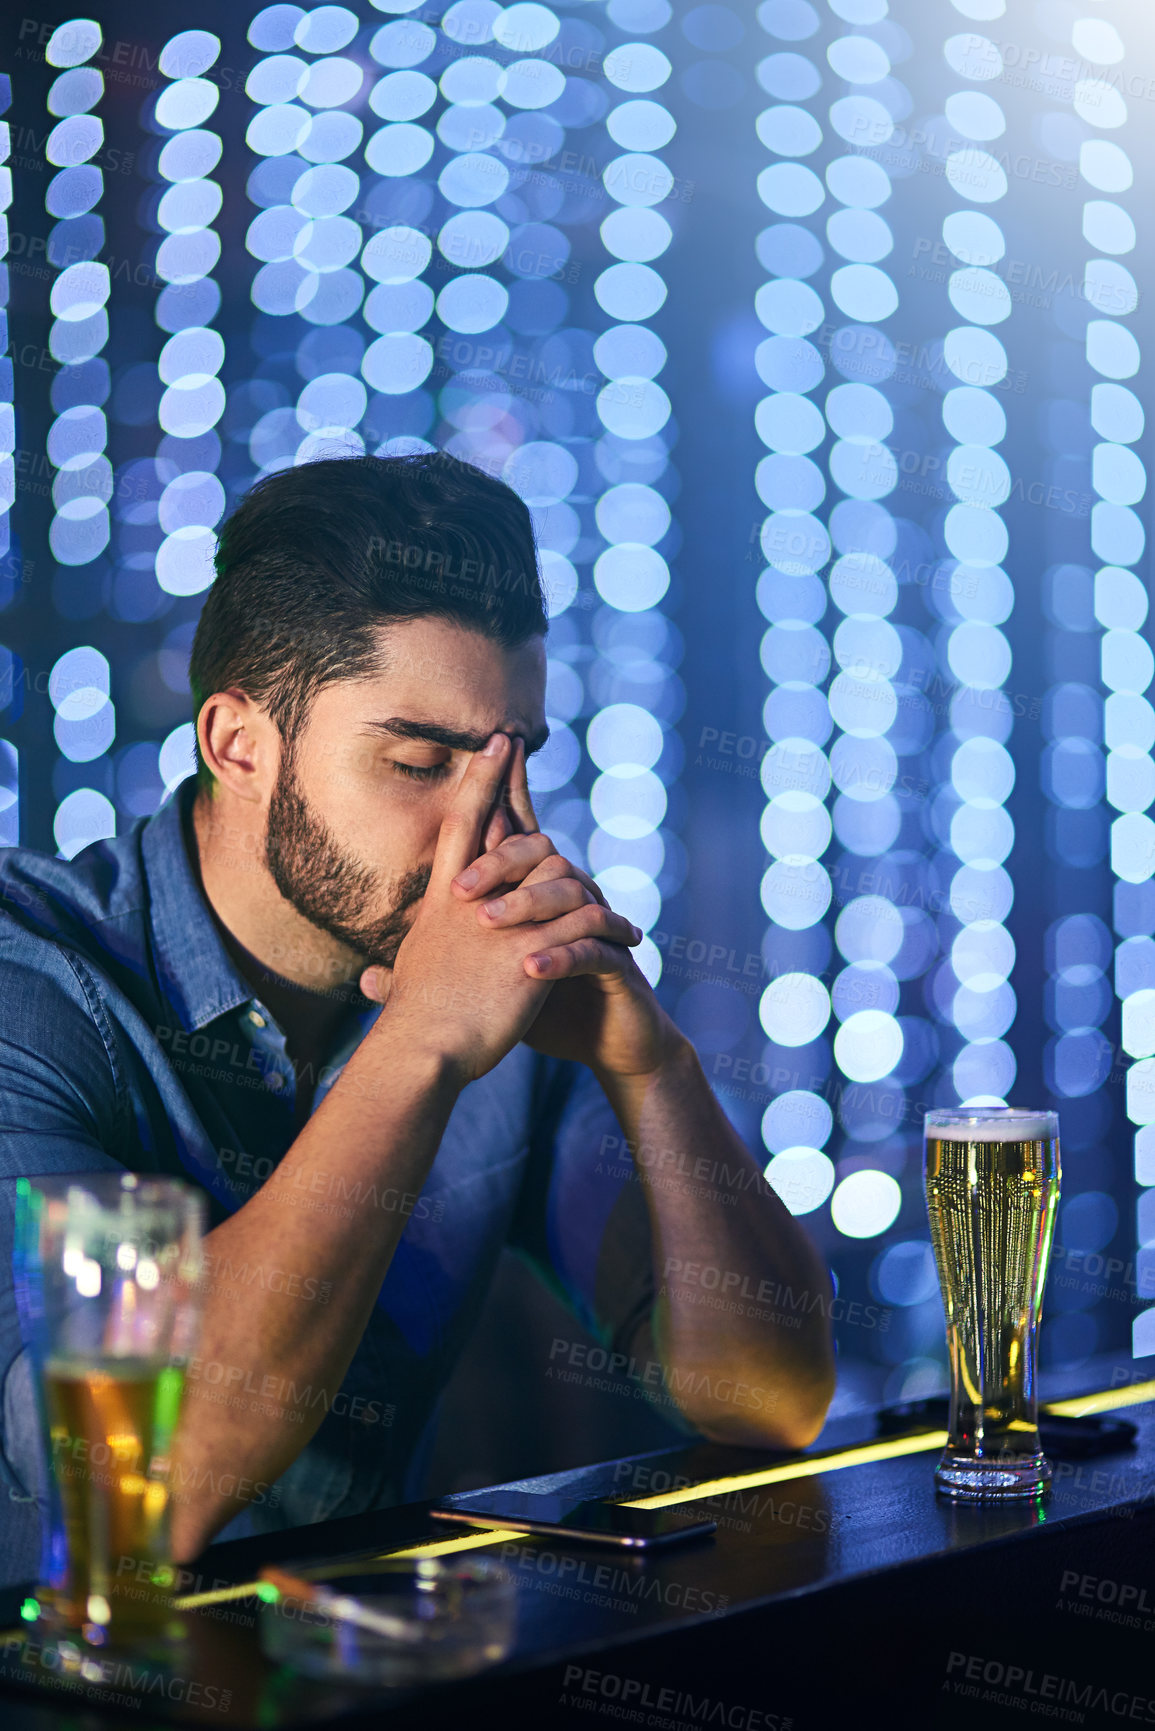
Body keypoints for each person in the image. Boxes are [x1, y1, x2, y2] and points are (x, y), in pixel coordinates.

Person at [0, 452, 834, 1561]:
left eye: (513, 760)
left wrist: (655, 1070)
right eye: (418, 761)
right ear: (238, 745)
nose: (488, 830)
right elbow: (151, 1483)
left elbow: (767, 1398)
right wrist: (423, 1042)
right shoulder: (31, 987)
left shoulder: (499, 988)